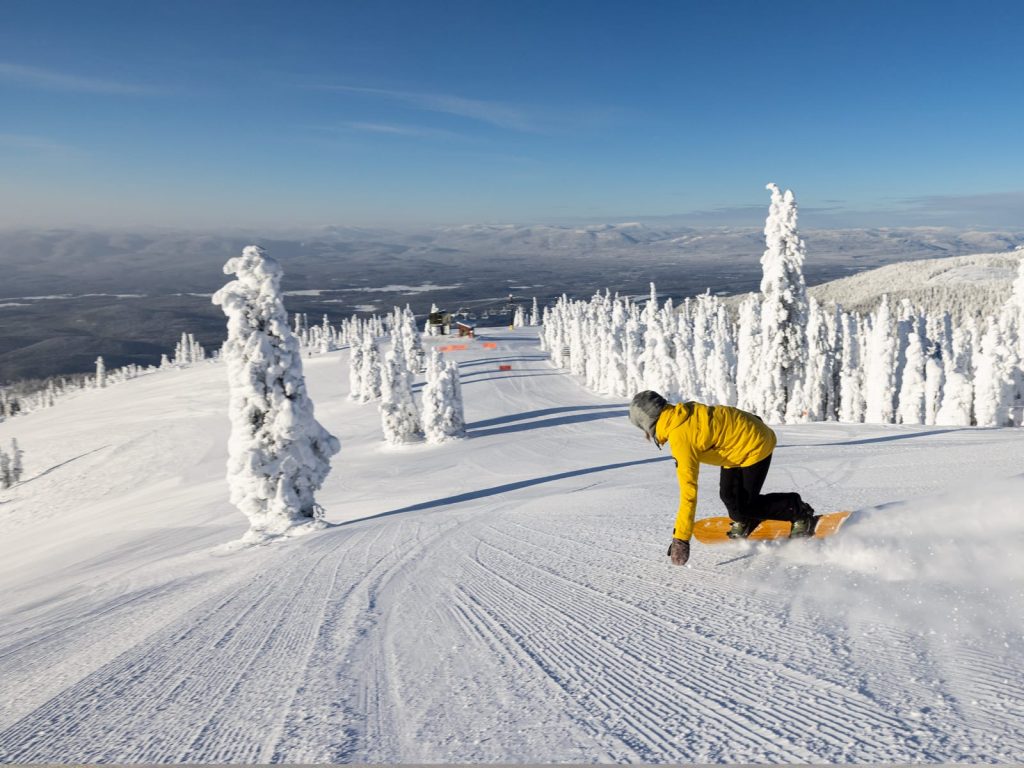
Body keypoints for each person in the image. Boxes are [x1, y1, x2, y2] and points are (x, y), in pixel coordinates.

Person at [628, 390, 816, 566]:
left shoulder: (680, 438)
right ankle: (745, 519)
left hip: (755, 444)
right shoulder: (680, 414)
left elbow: (689, 493)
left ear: (647, 423)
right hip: (733, 448)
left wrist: (681, 539)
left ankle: (798, 511)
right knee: (728, 496)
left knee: (747, 505)